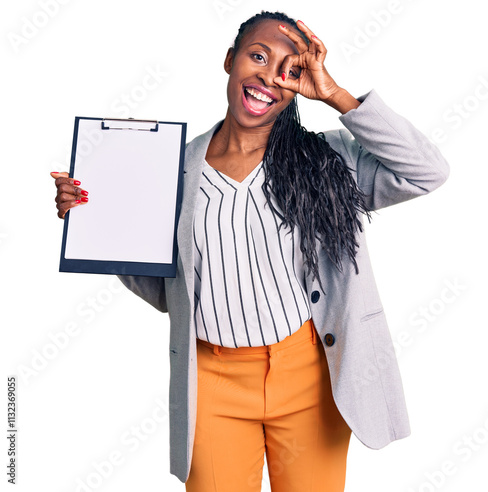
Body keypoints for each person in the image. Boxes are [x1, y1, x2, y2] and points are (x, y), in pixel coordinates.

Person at [51, 11, 450, 492]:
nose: (268, 76)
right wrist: (100, 220)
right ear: (229, 61)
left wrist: (335, 95)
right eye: (257, 56)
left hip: (308, 379)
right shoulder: (172, 173)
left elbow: (426, 171)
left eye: (290, 68)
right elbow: (166, 292)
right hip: (213, 382)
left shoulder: (328, 161)